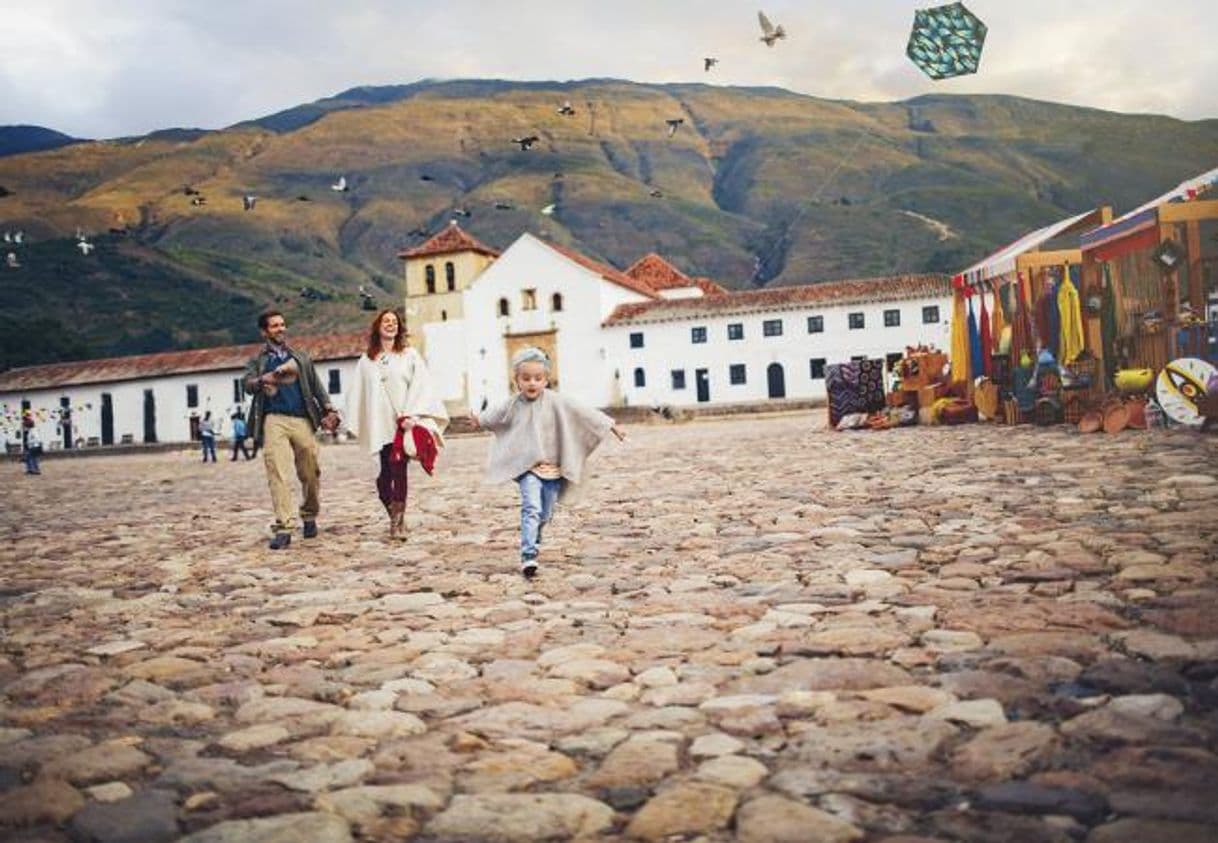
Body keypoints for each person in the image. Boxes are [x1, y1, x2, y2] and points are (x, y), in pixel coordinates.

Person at [468, 347, 625, 578]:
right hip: (528, 467)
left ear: (546, 380)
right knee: (531, 507)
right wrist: (479, 420)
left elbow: (583, 412)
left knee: (545, 512)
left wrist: (611, 425)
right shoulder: (513, 404)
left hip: (553, 469)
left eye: (538, 378)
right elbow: (494, 414)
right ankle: (528, 554)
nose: (532, 383)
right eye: (526, 378)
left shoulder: (556, 401)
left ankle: (536, 538)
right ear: (517, 381)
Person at [344, 309, 448, 540]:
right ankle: (394, 512)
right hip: (381, 424)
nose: (390, 325)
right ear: (377, 327)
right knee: (384, 476)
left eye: (394, 322)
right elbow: (359, 392)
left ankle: (397, 523)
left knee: (399, 470)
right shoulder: (367, 359)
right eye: (385, 321)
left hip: (405, 422)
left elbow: (421, 385)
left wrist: (412, 415)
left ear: (399, 327)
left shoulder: (409, 355)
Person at [243, 310, 341, 550]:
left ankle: (309, 514)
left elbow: (317, 387)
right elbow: (247, 384)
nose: (280, 329)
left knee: (310, 471)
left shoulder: (301, 358)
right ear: (264, 332)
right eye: (275, 326)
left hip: (301, 418)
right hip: (273, 418)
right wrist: (261, 381)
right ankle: (284, 527)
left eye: (282, 325)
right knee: (277, 471)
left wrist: (329, 409)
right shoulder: (257, 361)